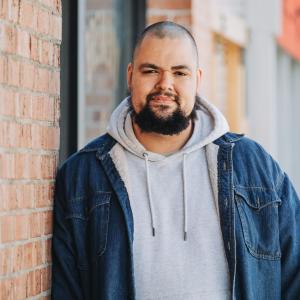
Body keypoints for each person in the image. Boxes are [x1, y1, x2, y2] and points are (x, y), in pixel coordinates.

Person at [51, 21, 300, 300]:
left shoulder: (255, 167)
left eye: (179, 72)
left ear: (198, 79)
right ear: (130, 75)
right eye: (151, 71)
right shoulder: (82, 176)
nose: (164, 85)